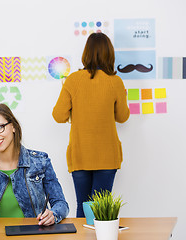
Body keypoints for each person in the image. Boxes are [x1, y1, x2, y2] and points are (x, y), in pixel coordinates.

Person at [52, 32, 130, 218]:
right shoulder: (115, 82)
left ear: (86, 53)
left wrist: (74, 110)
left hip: (80, 154)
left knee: (83, 206)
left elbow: (58, 116)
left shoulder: (73, 80)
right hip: (107, 156)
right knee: (100, 210)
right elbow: (122, 116)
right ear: (109, 54)